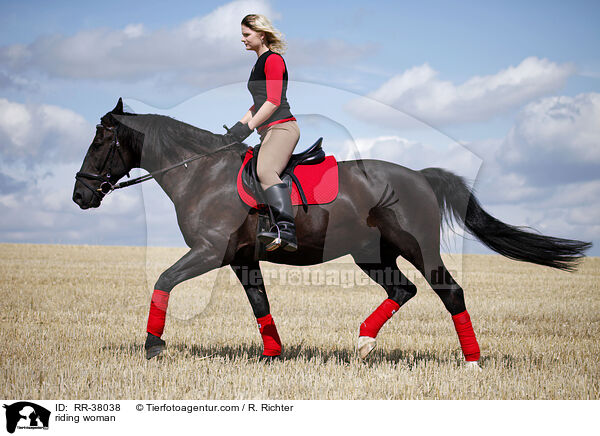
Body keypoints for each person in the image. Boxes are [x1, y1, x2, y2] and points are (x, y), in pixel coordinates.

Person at [225, 14, 300, 252]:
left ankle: (286, 230)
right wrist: (237, 128)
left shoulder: (274, 60)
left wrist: (247, 128)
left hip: (282, 128)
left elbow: (273, 101)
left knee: (265, 170)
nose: (243, 39)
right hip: (267, 131)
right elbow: (257, 104)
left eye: (246, 34)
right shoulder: (258, 64)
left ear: (261, 35)